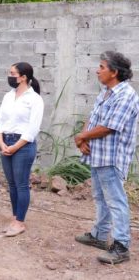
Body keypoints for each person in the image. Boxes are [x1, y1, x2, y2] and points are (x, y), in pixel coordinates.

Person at [74, 51, 138, 265]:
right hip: (98, 155)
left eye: (101, 67)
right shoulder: (106, 92)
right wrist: (83, 139)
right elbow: (92, 117)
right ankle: (100, 236)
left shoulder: (126, 95)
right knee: (101, 198)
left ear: (115, 72)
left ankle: (121, 246)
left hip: (112, 158)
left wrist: (82, 136)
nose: (97, 70)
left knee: (116, 201)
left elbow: (110, 127)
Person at [0, 62, 44, 237]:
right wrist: (2, 144)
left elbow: (32, 129)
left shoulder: (35, 99)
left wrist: (15, 147)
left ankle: (20, 222)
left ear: (23, 77)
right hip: (6, 142)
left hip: (23, 145)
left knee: (21, 184)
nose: (9, 76)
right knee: (12, 184)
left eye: (12, 73)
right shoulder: (8, 96)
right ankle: (15, 218)